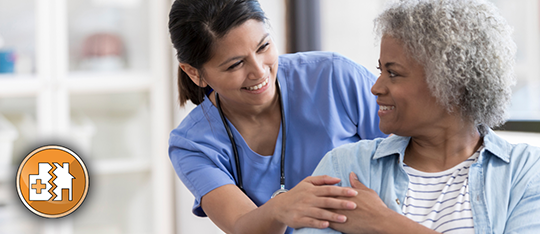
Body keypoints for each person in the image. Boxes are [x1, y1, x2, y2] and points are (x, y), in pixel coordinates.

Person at [294, 0, 540, 233]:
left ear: (451, 86)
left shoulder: (524, 172)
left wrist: (386, 224)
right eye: (381, 70)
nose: (376, 87)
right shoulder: (345, 166)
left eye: (393, 73)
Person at [167, 0, 386, 233]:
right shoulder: (192, 145)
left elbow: (412, 153)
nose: (259, 71)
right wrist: (279, 208)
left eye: (263, 47)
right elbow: (242, 226)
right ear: (194, 73)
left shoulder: (333, 76)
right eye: (236, 64)